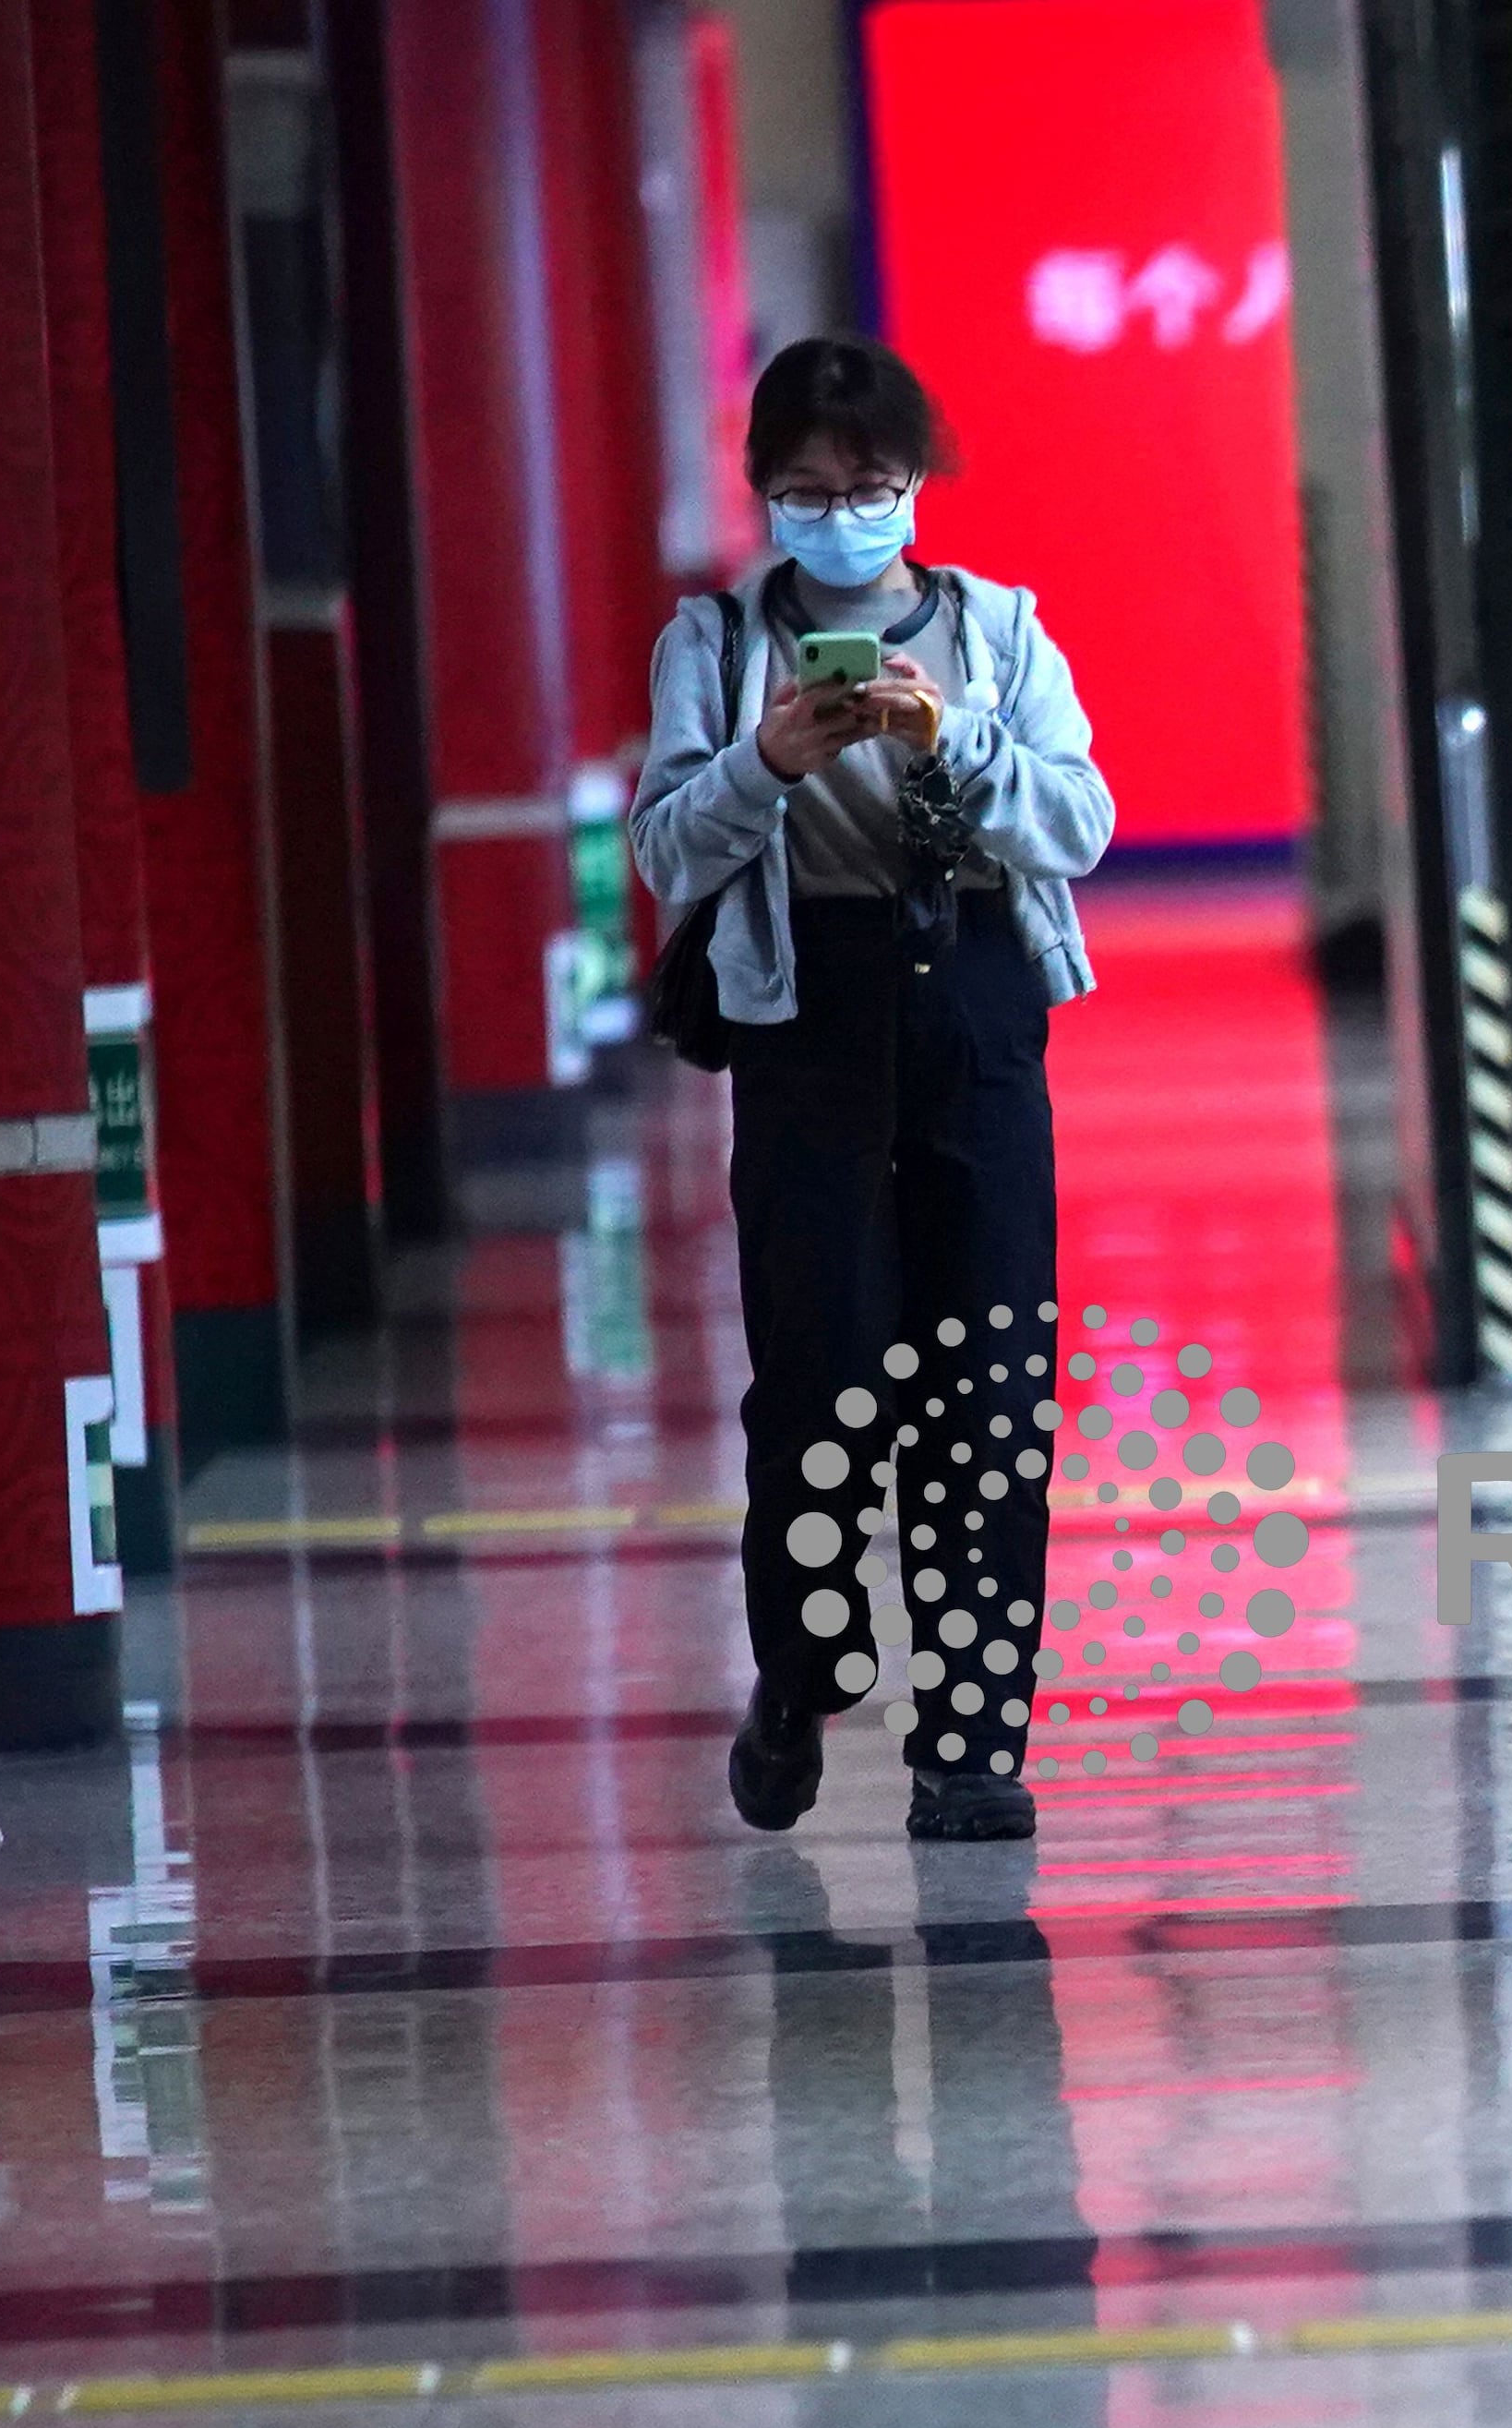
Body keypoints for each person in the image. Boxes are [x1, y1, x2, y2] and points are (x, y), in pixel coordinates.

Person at [631, 335, 1113, 1844]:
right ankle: (803, 1674)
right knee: (822, 1377)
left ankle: (972, 1739)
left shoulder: (998, 628)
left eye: (868, 486)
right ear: (765, 491)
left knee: (988, 1383)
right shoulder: (712, 645)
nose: (838, 514)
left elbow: (1081, 819)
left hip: (970, 1008)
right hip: (804, 1029)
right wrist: (763, 763)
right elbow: (663, 852)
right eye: (805, 489)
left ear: (917, 484)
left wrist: (944, 735)